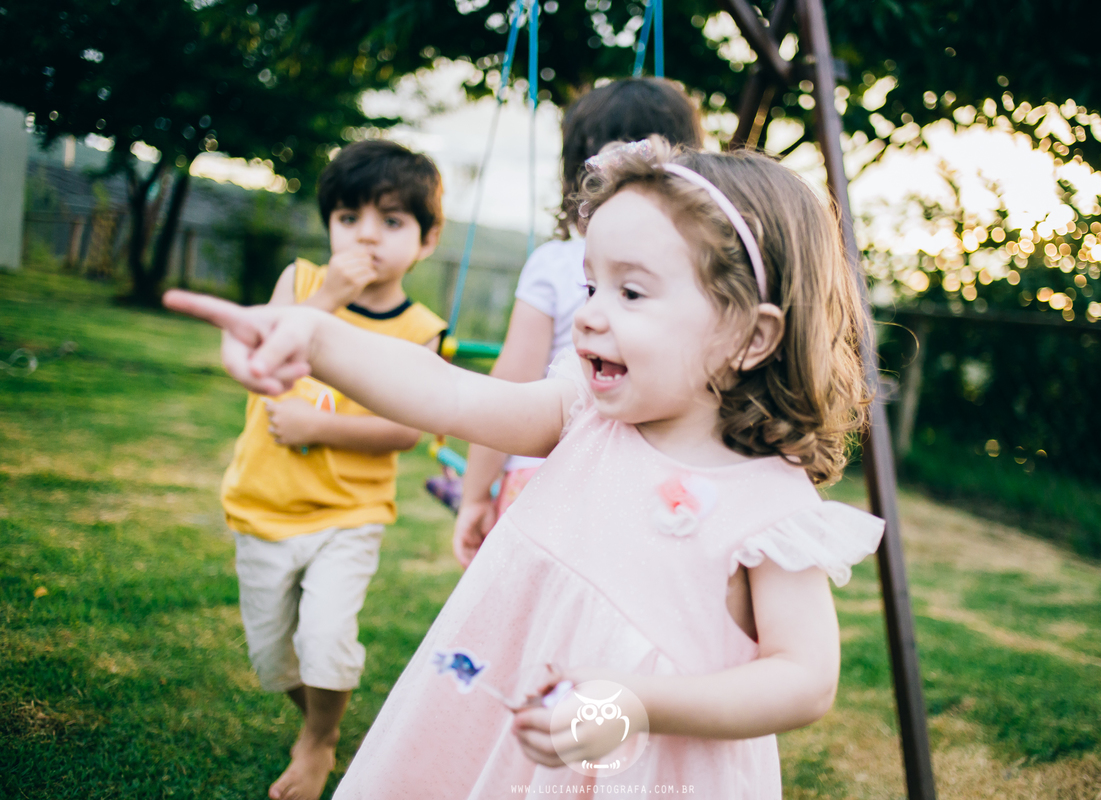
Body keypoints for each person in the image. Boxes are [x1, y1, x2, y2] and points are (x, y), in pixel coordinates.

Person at [166, 137, 885, 798]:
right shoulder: (582, 413)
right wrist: (315, 337)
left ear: (750, 335)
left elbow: (803, 681)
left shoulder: (772, 515)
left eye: (630, 292)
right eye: (590, 286)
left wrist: (636, 702)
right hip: (489, 741)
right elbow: (448, 394)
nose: (592, 315)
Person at [218, 140, 447, 800]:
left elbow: (406, 427)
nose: (366, 236)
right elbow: (262, 357)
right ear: (328, 227)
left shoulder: (420, 329)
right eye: (348, 218)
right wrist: (331, 297)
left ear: (426, 241)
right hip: (263, 505)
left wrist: (321, 427)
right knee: (272, 658)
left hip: (349, 515)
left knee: (325, 638)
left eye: (392, 221)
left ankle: (317, 741)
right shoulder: (300, 284)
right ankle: (323, 717)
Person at [453, 78, 704, 568]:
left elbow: (512, 380)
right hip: (643, 480)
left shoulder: (554, 262)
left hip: (544, 474)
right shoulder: (693, 268)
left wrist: (474, 493)